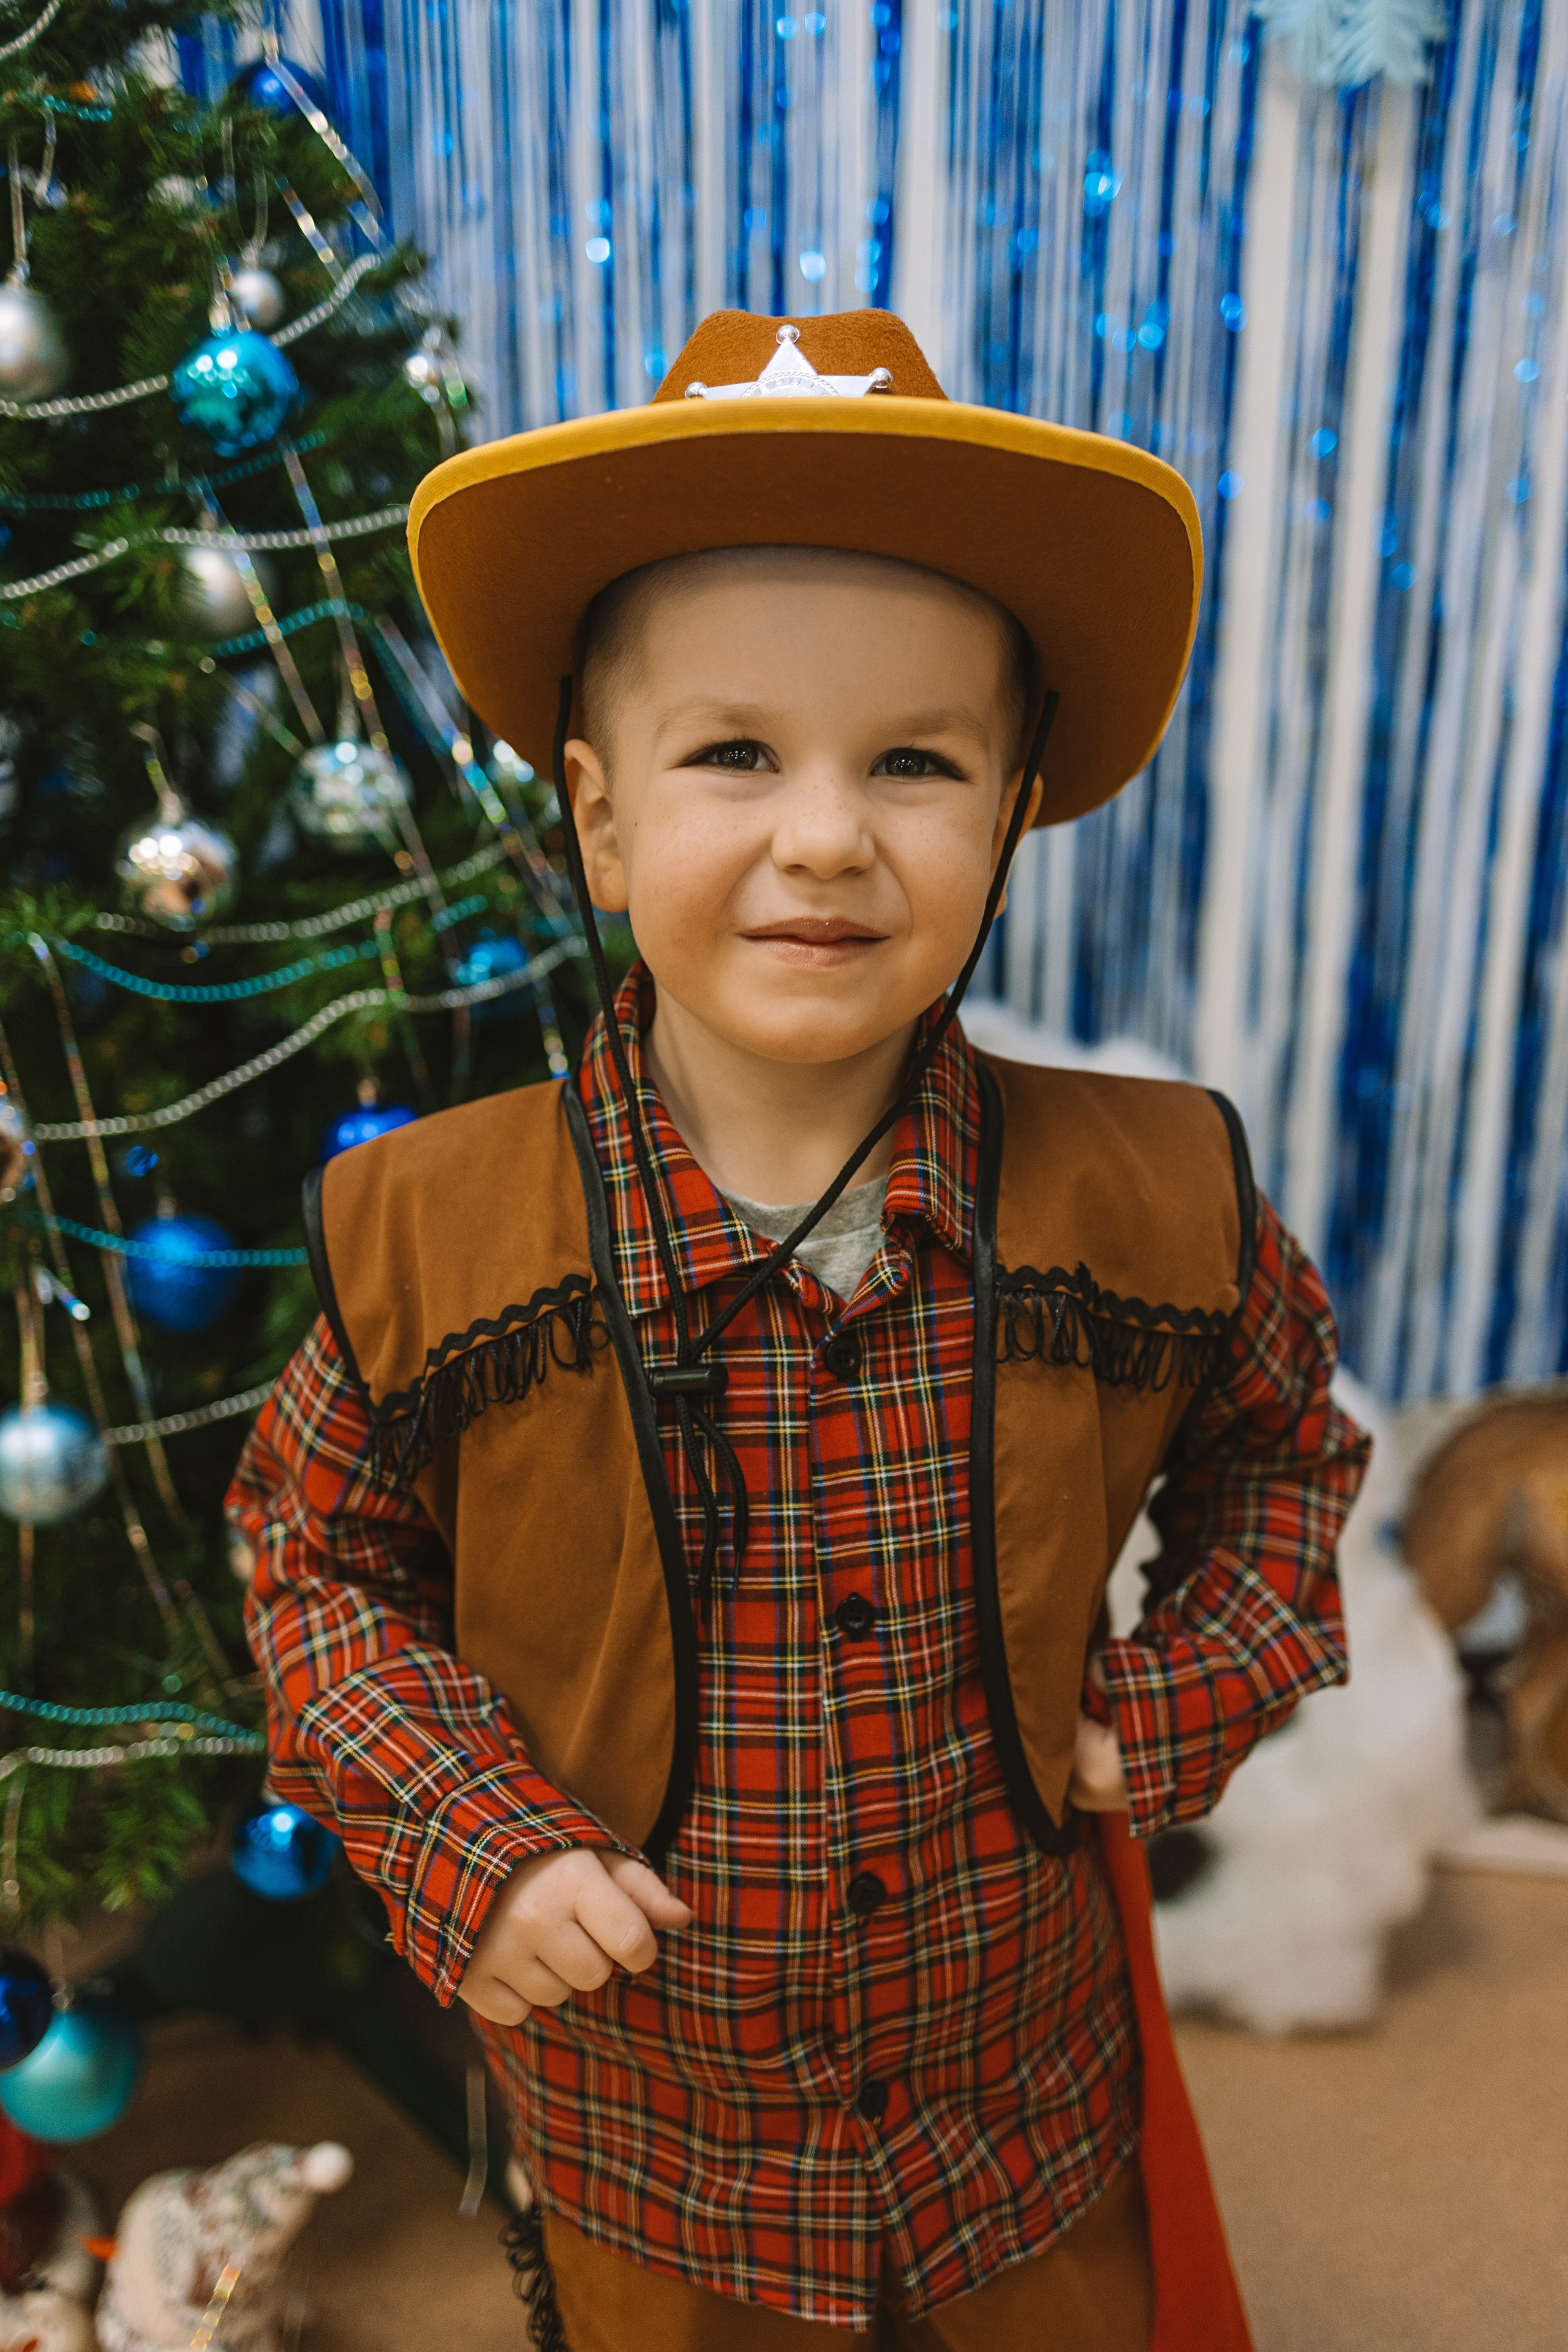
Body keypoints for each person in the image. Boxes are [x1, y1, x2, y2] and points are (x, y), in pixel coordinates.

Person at [227, 309, 1369, 2352]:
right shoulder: (433, 1239)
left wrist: (1186, 1685)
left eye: (913, 762)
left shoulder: (1152, 1195)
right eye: (736, 753)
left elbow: (1292, 1445)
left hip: (1025, 2122)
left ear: (1009, 811)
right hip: (661, 2151)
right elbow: (313, 1565)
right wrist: (475, 1841)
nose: (829, 834)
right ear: (598, 820)